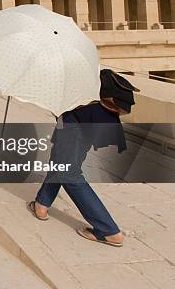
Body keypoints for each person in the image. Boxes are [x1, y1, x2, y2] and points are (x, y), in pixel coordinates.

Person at [28, 102, 125, 247]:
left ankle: (108, 230)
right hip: (93, 118)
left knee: (69, 173)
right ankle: (42, 203)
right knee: (61, 162)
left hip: (76, 119)